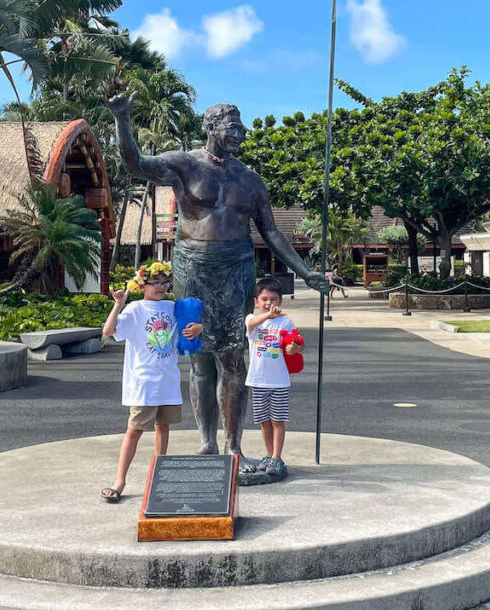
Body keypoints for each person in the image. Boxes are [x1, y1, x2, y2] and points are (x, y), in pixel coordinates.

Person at [109, 95, 326, 459]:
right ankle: (207, 441)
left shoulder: (250, 179)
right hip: (193, 267)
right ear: (210, 129)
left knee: (232, 360)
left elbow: (271, 232)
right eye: (232, 128)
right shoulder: (184, 165)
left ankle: (234, 444)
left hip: (235, 269)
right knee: (200, 359)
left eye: (241, 127)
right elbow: (135, 165)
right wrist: (122, 117)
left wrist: (305, 271)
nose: (240, 134)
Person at [99, 262, 203, 503]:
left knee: (163, 428)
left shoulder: (173, 307)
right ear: (142, 285)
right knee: (134, 430)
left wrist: (200, 328)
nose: (161, 287)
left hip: (168, 379)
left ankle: (158, 475)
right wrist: (118, 305)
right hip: (143, 382)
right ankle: (120, 481)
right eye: (155, 283)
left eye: (165, 282)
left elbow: (191, 327)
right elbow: (109, 330)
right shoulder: (135, 309)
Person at [244, 277, 303, 477]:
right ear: (256, 301)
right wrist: (268, 315)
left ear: (281, 301)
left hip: (279, 380)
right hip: (258, 379)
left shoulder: (285, 322)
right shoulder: (252, 320)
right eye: (264, 299)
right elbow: (251, 324)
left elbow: (298, 343)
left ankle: (277, 457)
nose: (269, 303)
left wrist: (294, 348)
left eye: (274, 299)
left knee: (277, 419)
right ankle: (269, 454)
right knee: (263, 420)